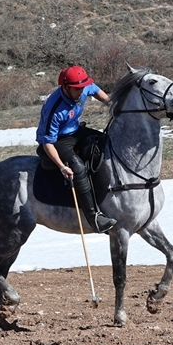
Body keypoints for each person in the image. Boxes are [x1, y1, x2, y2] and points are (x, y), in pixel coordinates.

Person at [36, 65, 116, 234]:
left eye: (82, 88)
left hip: (75, 131)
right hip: (57, 140)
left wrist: (111, 104)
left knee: (104, 142)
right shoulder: (55, 108)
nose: (81, 92)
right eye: (76, 89)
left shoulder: (82, 86)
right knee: (77, 167)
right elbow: (47, 142)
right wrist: (62, 166)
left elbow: (95, 90)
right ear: (65, 87)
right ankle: (94, 218)